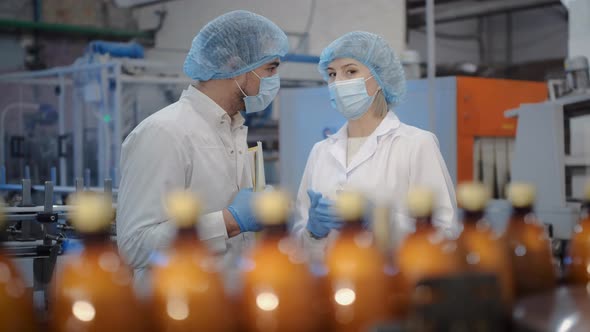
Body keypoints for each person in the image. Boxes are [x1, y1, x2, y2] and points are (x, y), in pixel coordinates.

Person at [117, 10, 289, 285]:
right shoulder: (164, 132)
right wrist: (228, 222)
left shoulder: (233, 130)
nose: (275, 80)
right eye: (270, 68)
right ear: (235, 65)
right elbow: (135, 247)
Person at [292, 31, 457, 258]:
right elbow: (297, 246)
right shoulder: (320, 152)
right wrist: (313, 232)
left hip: (392, 284)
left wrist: (381, 220)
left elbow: (446, 235)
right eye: (331, 74)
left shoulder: (416, 144)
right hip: (330, 283)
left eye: (350, 71)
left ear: (379, 79)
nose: (338, 83)